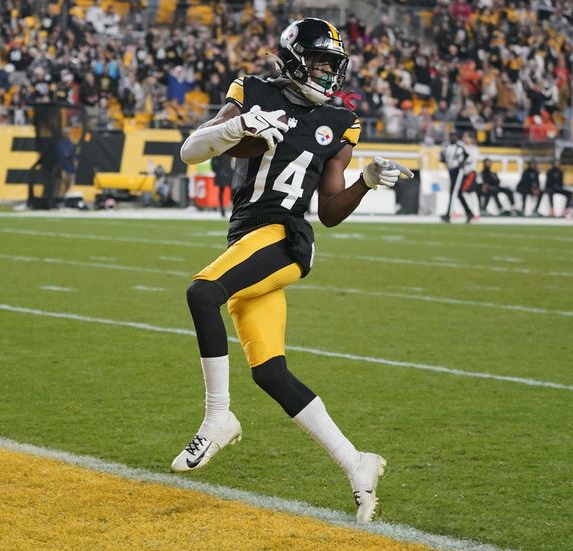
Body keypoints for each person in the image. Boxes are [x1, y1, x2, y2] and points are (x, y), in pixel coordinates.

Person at [173, 17, 412, 524]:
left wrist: (365, 180)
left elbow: (328, 210)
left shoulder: (339, 120)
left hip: (285, 238)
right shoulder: (254, 91)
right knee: (271, 372)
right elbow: (191, 151)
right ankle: (357, 463)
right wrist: (236, 127)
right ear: (292, 57)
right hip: (249, 236)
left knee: (202, 293)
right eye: (318, 60)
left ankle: (218, 418)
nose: (326, 71)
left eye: (332, 64)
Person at [439, 131, 475, 222]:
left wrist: (462, 163)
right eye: (451, 136)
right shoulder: (446, 146)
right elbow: (442, 157)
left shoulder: (461, 146)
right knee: (457, 193)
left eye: (454, 136)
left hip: (458, 170)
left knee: (453, 192)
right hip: (451, 170)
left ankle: (448, 215)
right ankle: (469, 213)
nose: (452, 138)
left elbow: (469, 158)